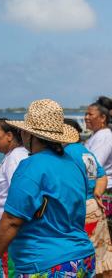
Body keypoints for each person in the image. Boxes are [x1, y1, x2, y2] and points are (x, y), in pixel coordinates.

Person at [0, 99, 95, 278]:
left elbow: (12, 220)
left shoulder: (31, 166)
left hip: (45, 262)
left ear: (30, 135)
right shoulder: (74, 164)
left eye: (23, 131)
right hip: (82, 257)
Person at [65, 118, 112, 277]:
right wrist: (97, 193)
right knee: (101, 256)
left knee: (82, 260)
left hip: (79, 208)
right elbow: (102, 176)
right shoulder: (85, 151)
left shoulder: (67, 154)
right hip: (94, 205)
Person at [0, 118, 29, 277]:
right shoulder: (11, 156)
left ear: (10, 135)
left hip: (11, 232)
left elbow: (18, 195)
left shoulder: (16, 157)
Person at [86, 96, 112, 237]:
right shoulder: (96, 135)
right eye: (85, 114)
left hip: (104, 191)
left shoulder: (104, 136)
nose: (86, 117)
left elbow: (94, 166)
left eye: (90, 114)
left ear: (103, 118)